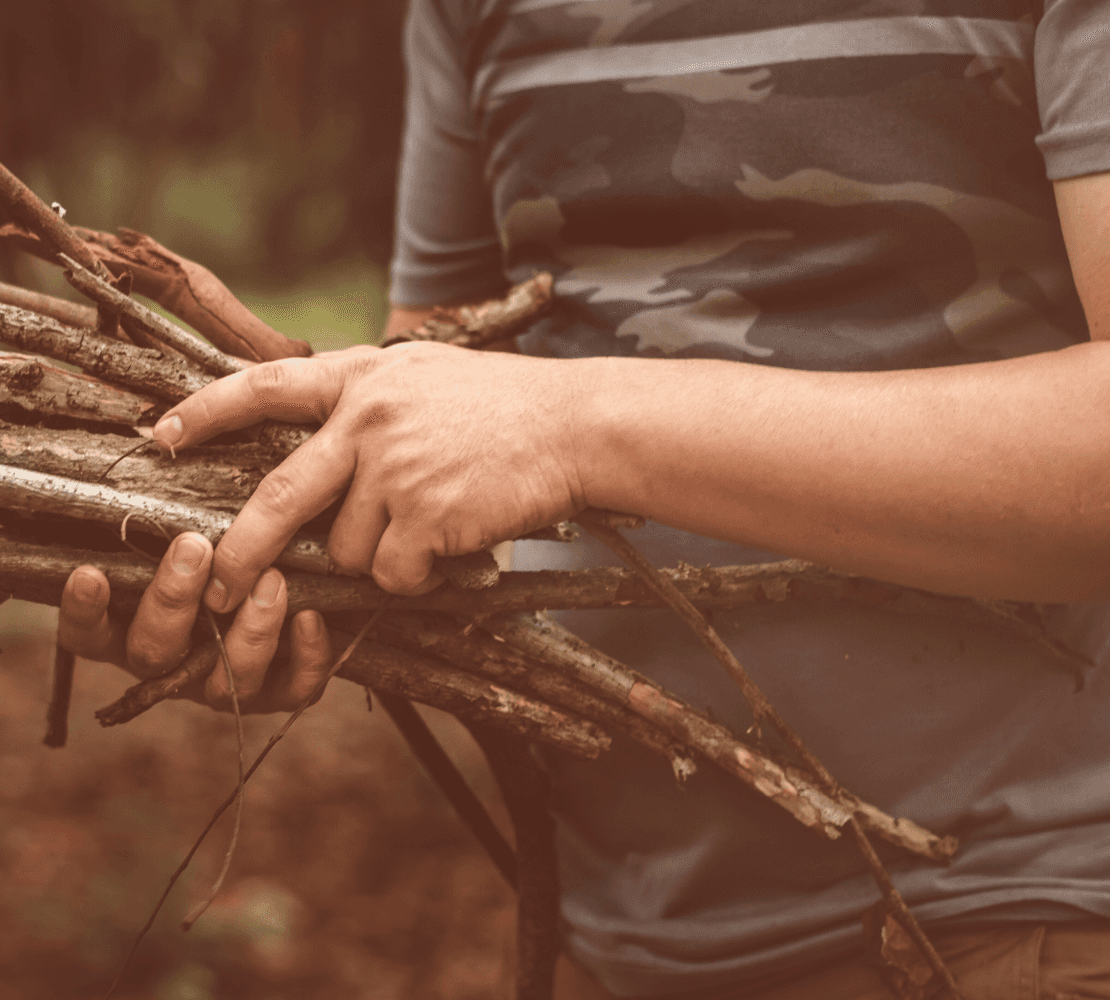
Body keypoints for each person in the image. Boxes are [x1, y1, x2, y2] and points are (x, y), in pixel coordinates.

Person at [60, 1, 1110, 995]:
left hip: (1028, 922)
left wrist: (571, 426)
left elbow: (529, 418)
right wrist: (248, 563)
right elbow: (444, 409)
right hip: (607, 938)